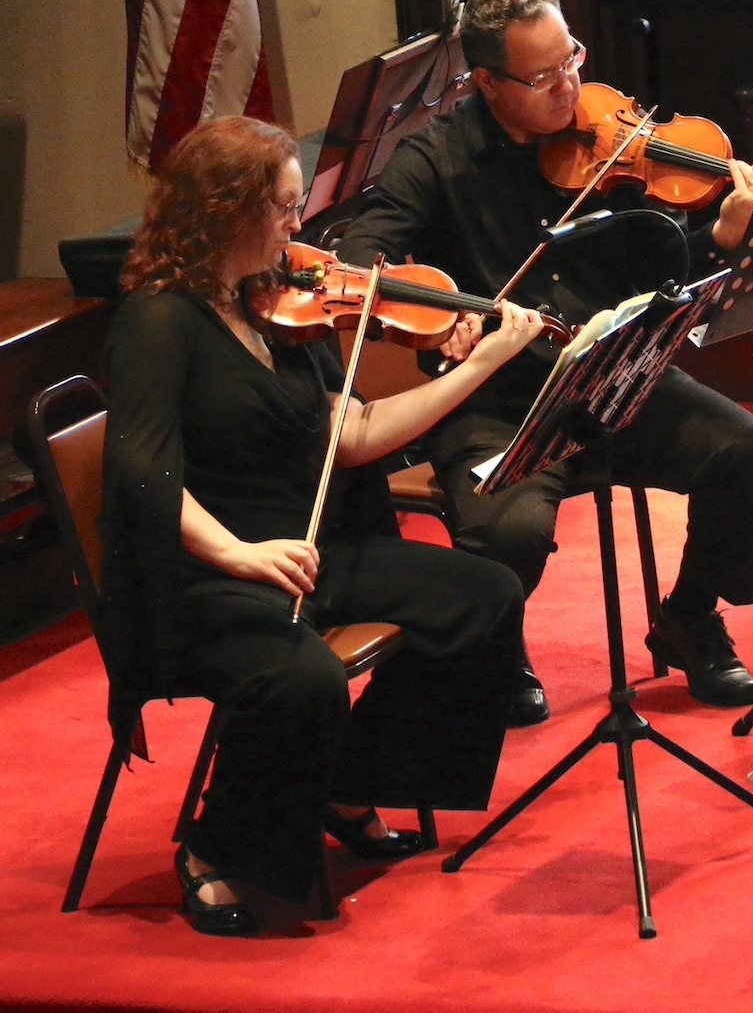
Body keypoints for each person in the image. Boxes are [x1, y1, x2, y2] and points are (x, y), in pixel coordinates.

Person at [103, 115, 546, 936]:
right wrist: (236, 552)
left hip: (305, 550)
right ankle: (214, 848)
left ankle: (347, 784)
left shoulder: (275, 304)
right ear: (228, 212)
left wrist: (480, 365)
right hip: (202, 574)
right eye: (282, 207)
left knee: (484, 594)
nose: (298, 225)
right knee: (302, 679)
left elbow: (358, 434)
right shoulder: (159, 321)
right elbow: (140, 471)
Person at [338, 0, 753, 714]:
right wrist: (441, 307)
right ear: (487, 83)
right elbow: (362, 260)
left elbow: (663, 259)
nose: (569, 86)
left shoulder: (614, 146)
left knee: (744, 450)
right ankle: (500, 648)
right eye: (543, 75)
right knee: (507, 531)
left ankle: (689, 618)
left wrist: (721, 237)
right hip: (501, 400)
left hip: (615, 379)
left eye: (572, 58)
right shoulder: (434, 162)